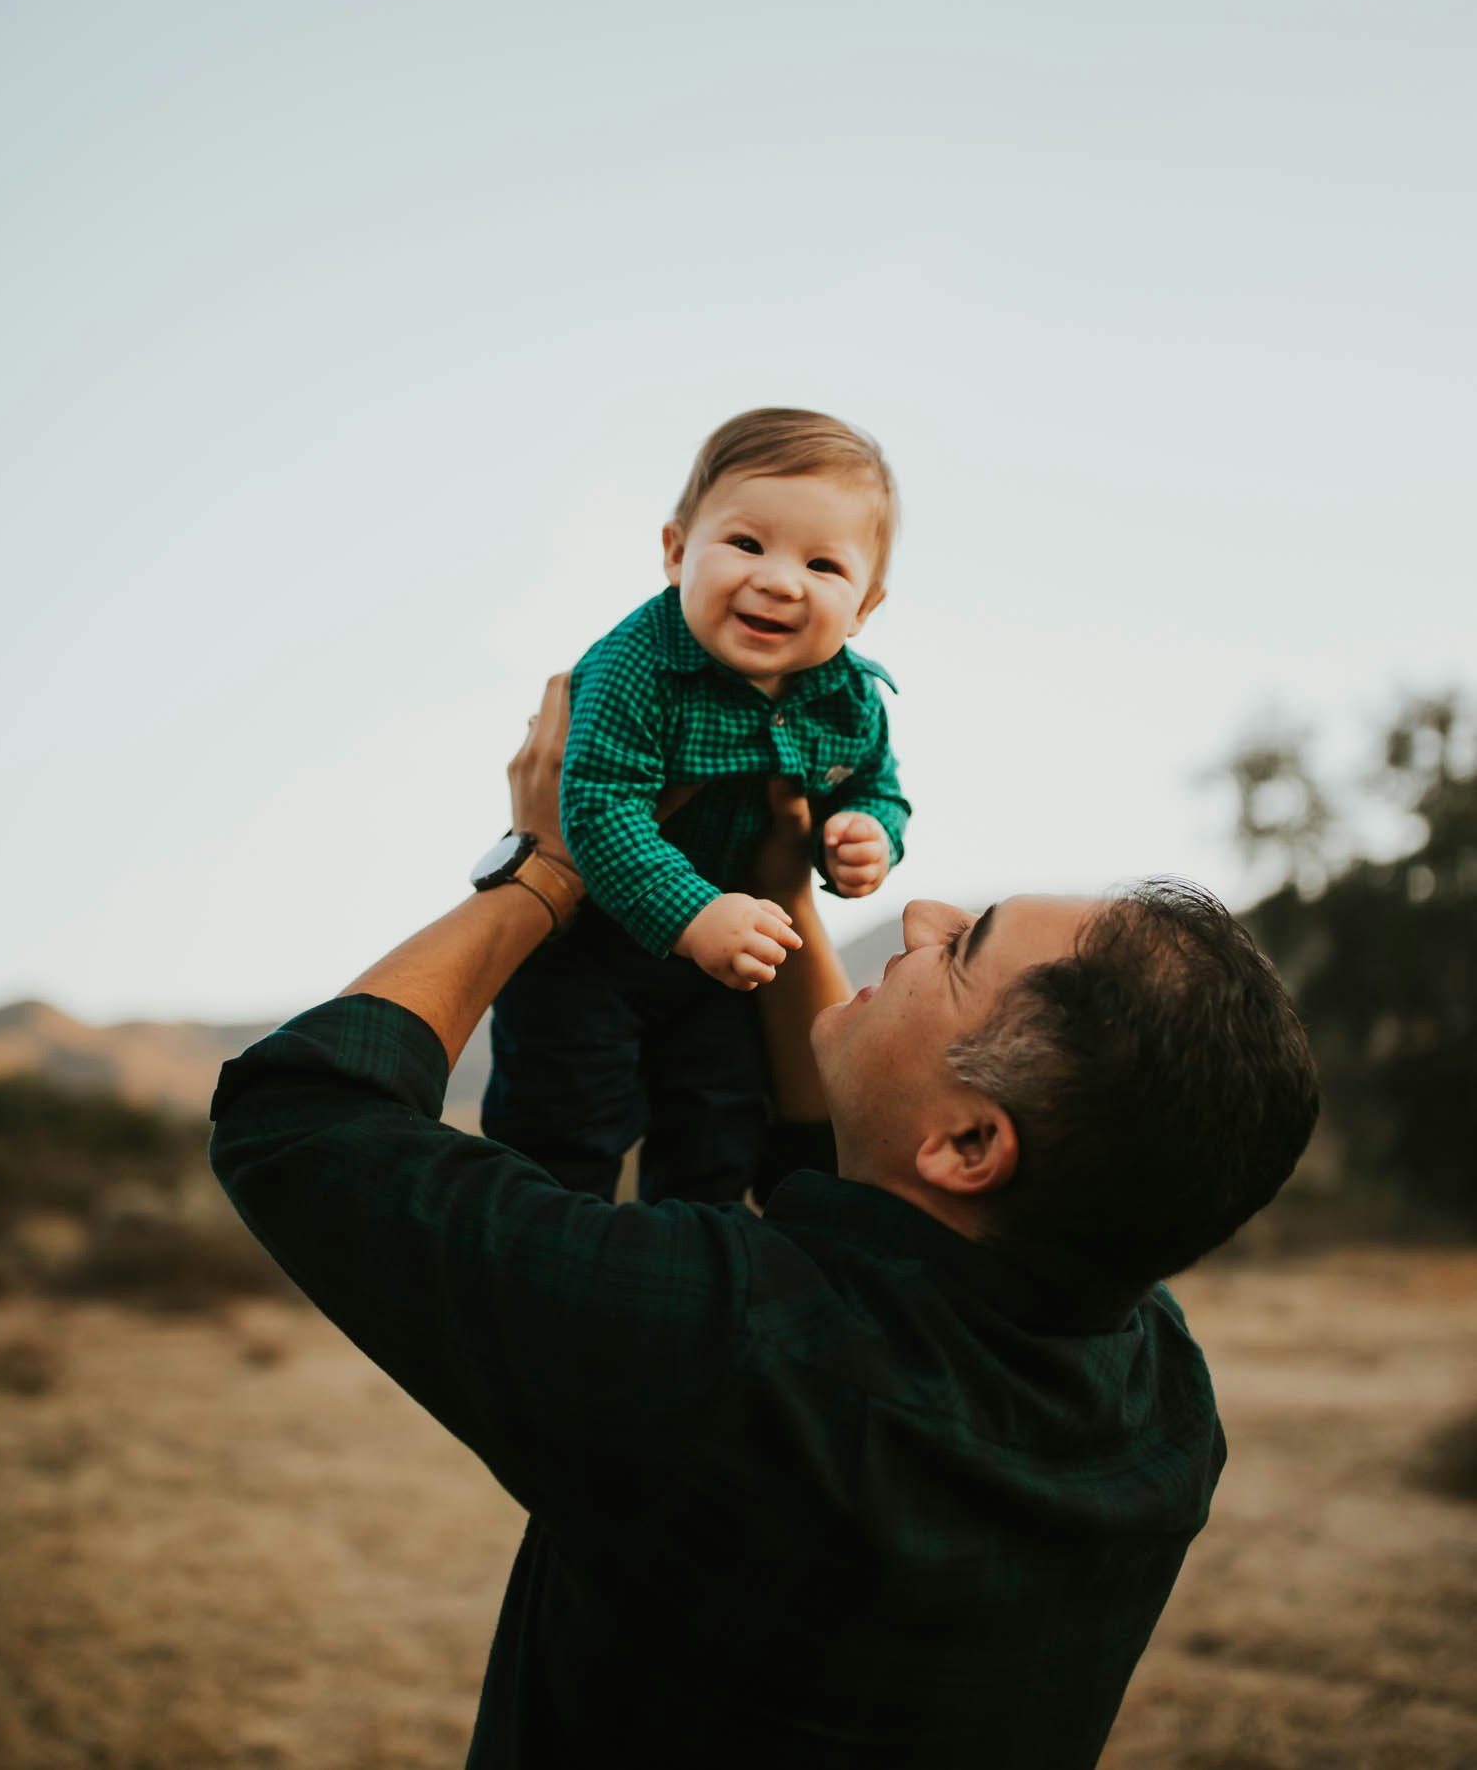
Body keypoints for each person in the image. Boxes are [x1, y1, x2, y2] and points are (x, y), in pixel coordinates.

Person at [210, 675, 1319, 1770]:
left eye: (967, 947)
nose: (922, 915)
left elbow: (300, 1121)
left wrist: (544, 867)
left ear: (974, 1147)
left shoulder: (730, 1345)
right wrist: (780, 888)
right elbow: (858, 1178)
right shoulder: (1162, 1399)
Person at [481, 407, 910, 1204]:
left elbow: (872, 788)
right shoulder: (634, 668)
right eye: (746, 544)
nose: (779, 579)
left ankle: (688, 1267)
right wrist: (692, 915)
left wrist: (865, 836)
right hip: (590, 950)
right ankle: (543, 1264)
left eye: (823, 565)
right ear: (678, 553)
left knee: (716, 1126)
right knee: (566, 1127)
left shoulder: (850, 697)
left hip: (725, 966)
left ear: (865, 606)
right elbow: (601, 811)